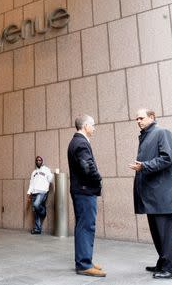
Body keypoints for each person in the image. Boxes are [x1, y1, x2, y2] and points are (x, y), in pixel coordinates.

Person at [129, 109, 172, 279]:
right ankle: (163, 262)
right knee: (157, 232)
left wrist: (144, 166)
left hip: (162, 195)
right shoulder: (145, 136)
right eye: (136, 118)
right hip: (152, 196)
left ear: (152, 117)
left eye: (141, 118)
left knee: (166, 234)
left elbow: (167, 158)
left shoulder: (162, 132)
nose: (138, 120)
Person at [67, 114, 106, 277]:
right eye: (93, 125)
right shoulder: (81, 143)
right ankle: (83, 265)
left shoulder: (76, 141)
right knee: (86, 226)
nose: (94, 128)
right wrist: (99, 177)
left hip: (81, 190)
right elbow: (87, 167)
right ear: (85, 126)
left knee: (83, 225)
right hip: (84, 191)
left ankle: (85, 261)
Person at [26, 156, 53, 234]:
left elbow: (50, 179)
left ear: (42, 161)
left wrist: (54, 175)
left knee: (36, 205)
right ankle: (37, 229)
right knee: (36, 211)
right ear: (35, 162)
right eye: (37, 160)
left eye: (40, 160)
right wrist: (29, 192)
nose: (38, 161)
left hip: (42, 192)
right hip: (34, 192)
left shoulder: (46, 169)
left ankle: (43, 212)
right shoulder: (33, 172)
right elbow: (31, 183)